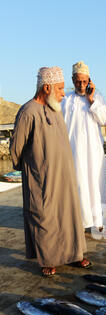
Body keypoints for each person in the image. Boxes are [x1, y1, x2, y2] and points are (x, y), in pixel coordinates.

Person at [9, 66, 91, 277]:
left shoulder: (55, 109)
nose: (64, 93)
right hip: (40, 177)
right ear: (47, 87)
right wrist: (29, 169)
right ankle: (48, 258)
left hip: (65, 175)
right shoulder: (28, 112)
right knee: (44, 216)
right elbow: (16, 148)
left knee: (68, 215)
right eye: (60, 88)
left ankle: (74, 254)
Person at [61, 61, 106, 234]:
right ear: (72, 80)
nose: (81, 85)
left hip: (93, 152)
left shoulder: (97, 97)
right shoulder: (66, 100)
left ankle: (97, 221)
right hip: (73, 151)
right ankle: (79, 222)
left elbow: (104, 118)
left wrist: (91, 101)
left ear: (89, 80)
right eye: (77, 81)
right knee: (78, 185)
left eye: (84, 81)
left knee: (95, 184)